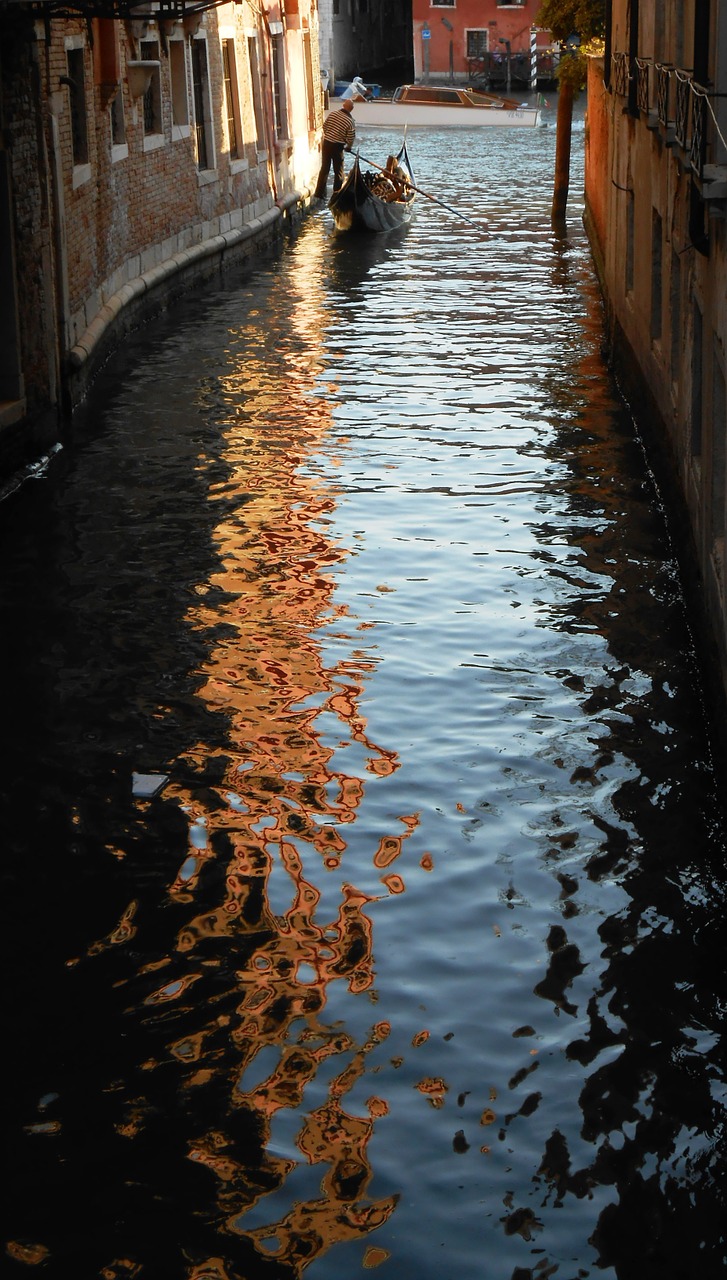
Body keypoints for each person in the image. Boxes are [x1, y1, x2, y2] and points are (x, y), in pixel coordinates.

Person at [313, 99, 356, 202]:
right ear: (351, 109)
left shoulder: (332, 114)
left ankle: (319, 193)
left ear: (343, 105)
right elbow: (350, 138)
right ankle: (336, 195)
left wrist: (330, 136)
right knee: (339, 172)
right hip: (338, 147)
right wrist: (348, 147)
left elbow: (325, 126)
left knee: (324, 169)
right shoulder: (350, 121)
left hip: (327, 143)